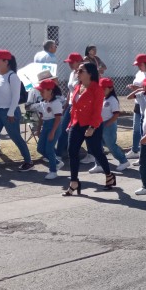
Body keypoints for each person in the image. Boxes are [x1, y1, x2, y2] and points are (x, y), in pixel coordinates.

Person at [63, 62, 115, 195]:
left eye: (81, 71)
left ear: (90, 74)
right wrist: (70, 124)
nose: (77, 73)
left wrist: (92, 127)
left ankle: (109, 175)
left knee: (97, 151)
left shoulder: (97, 89)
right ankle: (74, 182)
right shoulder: (78, 86)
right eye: (77, 71)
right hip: (77, 124)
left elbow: (97, 111)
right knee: (72, 151)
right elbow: (74, 108)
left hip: (92, 125)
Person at [0, 50, 34, 171]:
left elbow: (16, 97)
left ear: (6, 62)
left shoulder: (13, 77)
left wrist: (11, 112)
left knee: (15, 137)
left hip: (9, 113)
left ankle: (28, 161)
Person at [92, 77, 129, 175]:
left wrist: (108, 124)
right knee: (97, 145)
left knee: (110, 145)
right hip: (99, 124)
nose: (102, 90)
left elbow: (116, 114)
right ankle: (98, 164)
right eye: (100, 88)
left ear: (111, 89)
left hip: (108, 124)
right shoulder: (100, 98)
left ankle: (123, 160)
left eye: (104, 88)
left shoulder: (112, 100)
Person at [56, 52, 85, 161]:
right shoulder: (72, 73)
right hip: (71, 105)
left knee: (82, 131)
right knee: (64, 129)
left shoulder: (84, 74)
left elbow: (84, 91)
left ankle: (93, 154)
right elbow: (70, 91)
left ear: (79, 62)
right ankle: (59, 154)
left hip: (80, 106)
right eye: (69, 62)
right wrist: (66, 105)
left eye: (71, 62)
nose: (69, 64)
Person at [34, 78, 64, 179]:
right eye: (40, 91)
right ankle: (56, 162)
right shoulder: (43, 102)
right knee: (40, 148)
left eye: (43, 91)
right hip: (46, 126)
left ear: (50, 91)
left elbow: (58, 119)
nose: (41, 93)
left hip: (54, 126)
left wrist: (53, 132)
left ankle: (53, 171)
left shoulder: (56, 103)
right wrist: (38, 129)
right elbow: (42, 117)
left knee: (49, 149)